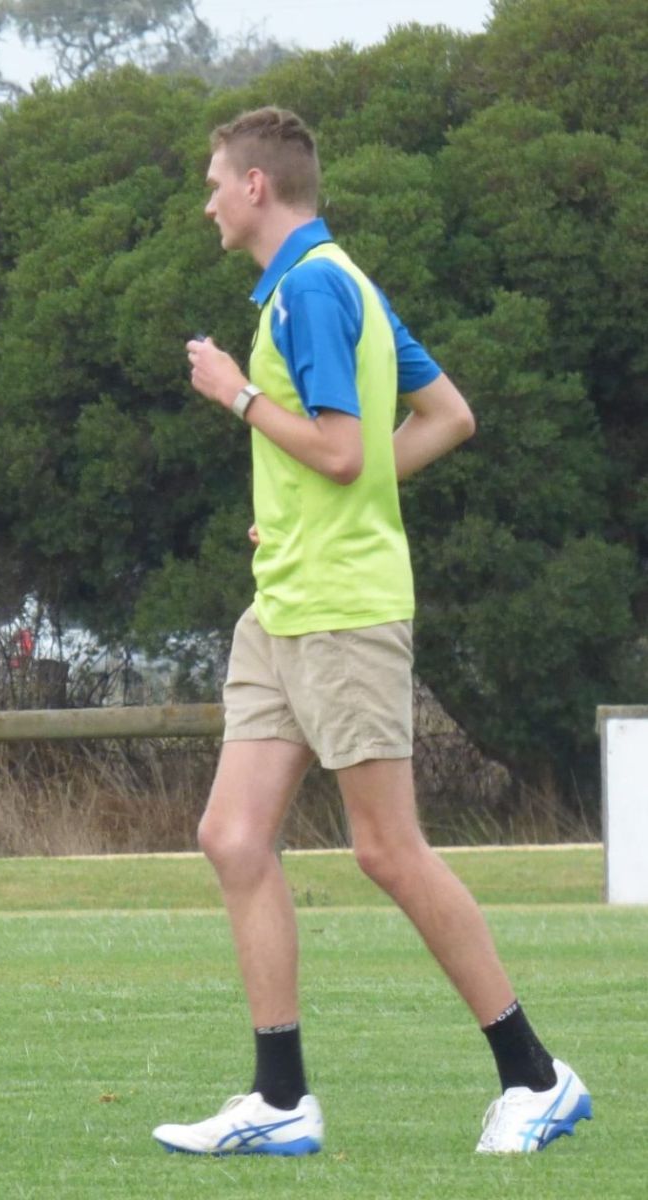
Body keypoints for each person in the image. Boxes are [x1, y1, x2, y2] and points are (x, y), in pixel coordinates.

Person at [153, 107, 592, 1157]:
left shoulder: (310, 290)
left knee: (387, 851)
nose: (207, 203)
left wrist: (235, 396)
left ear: (256, 185)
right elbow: (446, 417)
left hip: (343, 611)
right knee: (231, 837)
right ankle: (279, 1102)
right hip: (284, 604)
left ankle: (536, 1078)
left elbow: (344, 452)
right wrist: (316, 505)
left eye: (214, 183)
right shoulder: (335, 278)